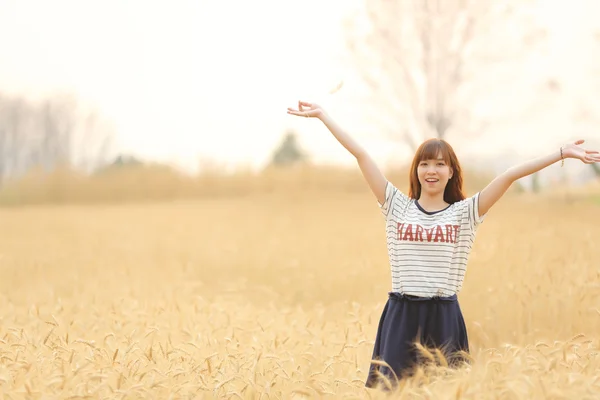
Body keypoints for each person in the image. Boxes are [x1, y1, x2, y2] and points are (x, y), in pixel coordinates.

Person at [286, 100, 600, 390]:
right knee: (394, 393)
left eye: (439, 164)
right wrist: (324, 116)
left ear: (451, 172)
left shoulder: (465, 213)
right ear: (416, 171)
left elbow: (509, 176)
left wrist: (561, 153)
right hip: (401, 313)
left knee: (447, 392)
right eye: (424, 164)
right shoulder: (396, 205)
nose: (431, 171)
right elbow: (362, 155)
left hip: (443, 315)